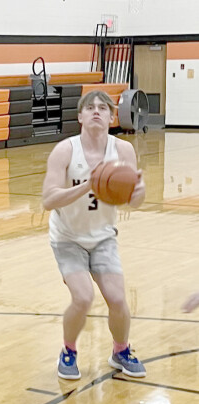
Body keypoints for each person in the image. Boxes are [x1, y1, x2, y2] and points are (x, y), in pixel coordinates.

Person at [42, 90, 146, 380]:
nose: (96, 111)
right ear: (80, 116)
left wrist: (138, 191)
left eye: (103, 107)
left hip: (103, 237)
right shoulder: (65, 150)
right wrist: (88, 185)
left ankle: (120, 350)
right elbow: (48, 200)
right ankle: (69, 350)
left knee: (117, 299)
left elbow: (136, 200)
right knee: (83, 297)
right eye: (90, 108)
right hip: (67, 238)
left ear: (113, 116)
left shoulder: (123, 151)